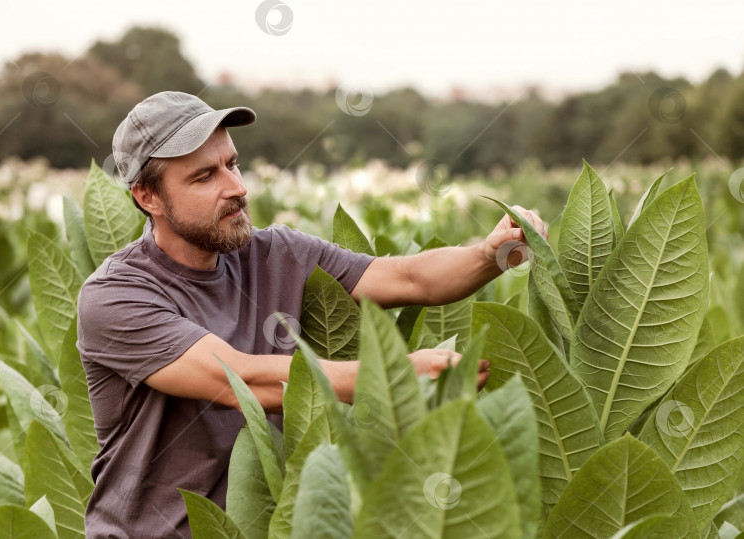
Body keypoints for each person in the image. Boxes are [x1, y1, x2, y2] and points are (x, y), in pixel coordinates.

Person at [76, 91, 548, 538]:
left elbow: (409, 280)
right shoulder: (115, 296)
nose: (236, 188)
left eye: (232, 164)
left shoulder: (276, 253)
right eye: (204, 177)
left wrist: (491, 254)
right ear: (147, 198)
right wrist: (396, 376)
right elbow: (239, 381)